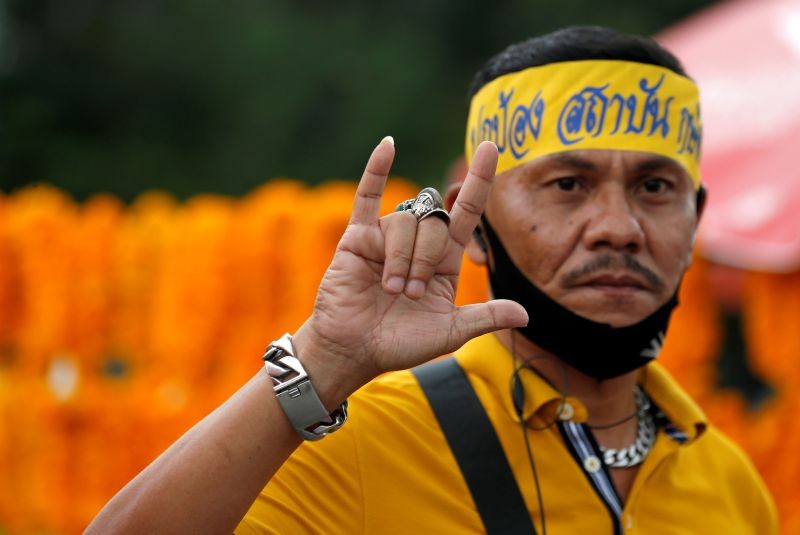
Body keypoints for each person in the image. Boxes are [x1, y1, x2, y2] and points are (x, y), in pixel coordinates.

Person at [87, 26, 778, 534]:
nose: (618, 226)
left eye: (656, 186)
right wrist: (323, 360)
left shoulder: (733, 484)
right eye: (568, 183)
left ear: (697, 224)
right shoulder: (361, 438)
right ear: (471, 222)